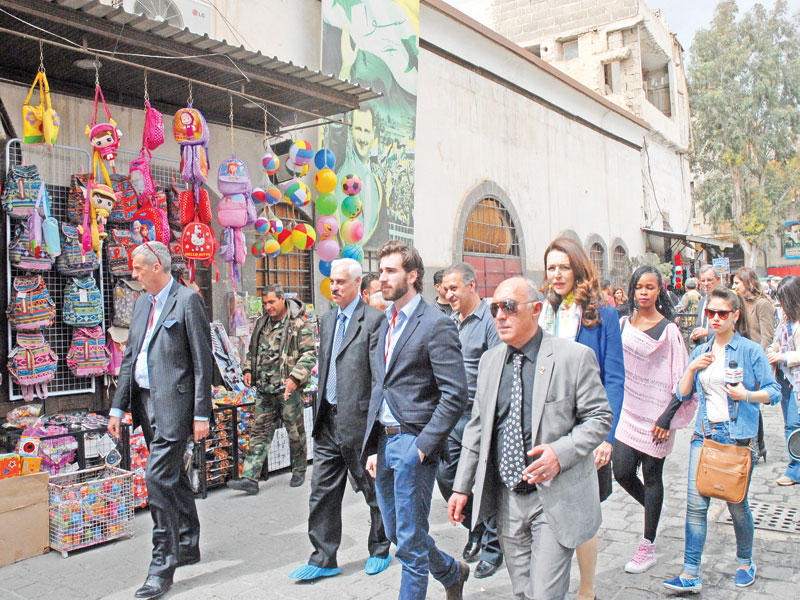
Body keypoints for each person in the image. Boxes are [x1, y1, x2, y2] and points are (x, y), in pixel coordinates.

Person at [448, 277, 612, 600]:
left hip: (554, 497)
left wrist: (559, 453)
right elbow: (477, 428)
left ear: (536, 310)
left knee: (545, 594)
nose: (500, 316)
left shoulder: (573, 357)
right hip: (508, 499)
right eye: (495, 308)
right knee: (522, 591)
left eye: (509, 307)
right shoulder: (490, 362)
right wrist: (461, 487)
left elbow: (599, 418)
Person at [363, 240, 470, 600]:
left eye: (391, 271)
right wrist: (374, 445)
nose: (382, 278)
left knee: (409, 545)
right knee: (397, 532)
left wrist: (423, 447)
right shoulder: (384, 324)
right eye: (381, 271)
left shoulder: (435, 324)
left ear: (412, 276)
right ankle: (452, 572)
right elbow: (381, 386)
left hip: (413, 442)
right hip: (384, 442)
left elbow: (455, 394)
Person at [108, 242, 213, 600]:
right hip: (145, 403)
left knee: (156, 478)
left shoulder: (187, 301)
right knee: (172, 476)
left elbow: (202, 361)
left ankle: (161, 567)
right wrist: (117, 408)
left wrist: (201, 413)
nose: (133, 274)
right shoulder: (141, 303)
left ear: (156, 267)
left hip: (176, 407)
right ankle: (188, 543)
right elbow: (130, 358)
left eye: (138, 268)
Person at [663, 288, 781, 593]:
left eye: (722, 313)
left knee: (737, 505)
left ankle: (745, 562)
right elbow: (683, 394)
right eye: (710, 313)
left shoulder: (750, 351)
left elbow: (774, 392)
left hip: (737, 438)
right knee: (695, 506)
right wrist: (692, 367)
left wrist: (746, 395)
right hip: (704, 435)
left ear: (735, 316)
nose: (715, 318)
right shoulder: (701, 351)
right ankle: (690, 572)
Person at [289, 259, 391, 581]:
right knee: (321, 492)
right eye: (332, 281)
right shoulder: (328, 318)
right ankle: (323, 558)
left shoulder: (374, 321)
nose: (334, 287)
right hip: (327, 421)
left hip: (359, 423)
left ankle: (380, 549)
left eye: (341, 282)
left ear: (358, 284)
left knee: (373, 490)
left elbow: (379, 378)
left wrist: (376, 427)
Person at [538, 237, 624, 600]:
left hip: (587, 424)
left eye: (564, 267)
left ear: (578, 268)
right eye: (551, 268)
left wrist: (607, 436)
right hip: (549, 424)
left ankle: (587, 589)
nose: (557, 275)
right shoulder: (544, 311)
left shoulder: (602, 313)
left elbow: (615, 377)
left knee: (585, 508)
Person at [612, 266, 696, 574]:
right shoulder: (623, 324)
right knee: (621, 472)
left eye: (650, 287)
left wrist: (666, 418)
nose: (644, 292)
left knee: (652, 476)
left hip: (659, 417)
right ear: (633, 290)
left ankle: (647, 546)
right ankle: (654, 506)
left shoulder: (670, 331)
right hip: (628, 412)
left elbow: (682, 379)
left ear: (659, 290)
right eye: (639, 287)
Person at [436, 263, 503, 579]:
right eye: (445, 289)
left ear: (472, 285)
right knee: (446, 477)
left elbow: (498, 367)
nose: (448, 294)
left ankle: (492, 549)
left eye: (454, 288)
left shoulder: (490, 321)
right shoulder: (450, 322)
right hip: (452, 415)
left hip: (480, 416)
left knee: (484, 481)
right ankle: (475, 526)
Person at [228, 285, 316, 493]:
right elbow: (252, 351)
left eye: (271, 302)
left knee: (295, 432)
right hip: (265, 389)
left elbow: (309, 354)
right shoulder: (262, 323)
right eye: (265, 303)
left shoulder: (298, 323)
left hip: (288, 390)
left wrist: (295, 378)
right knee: (259, 432)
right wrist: (248, 370)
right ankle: (250, 478)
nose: (268, 307)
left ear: (282, 299)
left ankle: (299, 470)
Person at [732, 267, 775, 461]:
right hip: (741, 360)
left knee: (752, 403)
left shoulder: (762, 304)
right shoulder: (740, 304)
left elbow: (767, 335)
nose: (734, 286)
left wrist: (759, 361)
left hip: (755, 360)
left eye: (737, 283)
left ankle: (758, 446)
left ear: (748, 283)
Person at [766, 275, 800, 486]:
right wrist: (773, 350)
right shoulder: (786, 320)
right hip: (785, 380)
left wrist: (782, 357)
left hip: (795, 380)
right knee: (791, 423)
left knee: (794, 426)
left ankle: (795, 470)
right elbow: (778, 341)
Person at [690, 265, 721, 345]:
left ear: (718, 280)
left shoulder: (726, 300)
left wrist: (708, 332)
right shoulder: (702, 301)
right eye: (703, 281)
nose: (706, 284)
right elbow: (699, 325)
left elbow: (732, 329)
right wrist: (695, 334)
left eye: (709, 280)